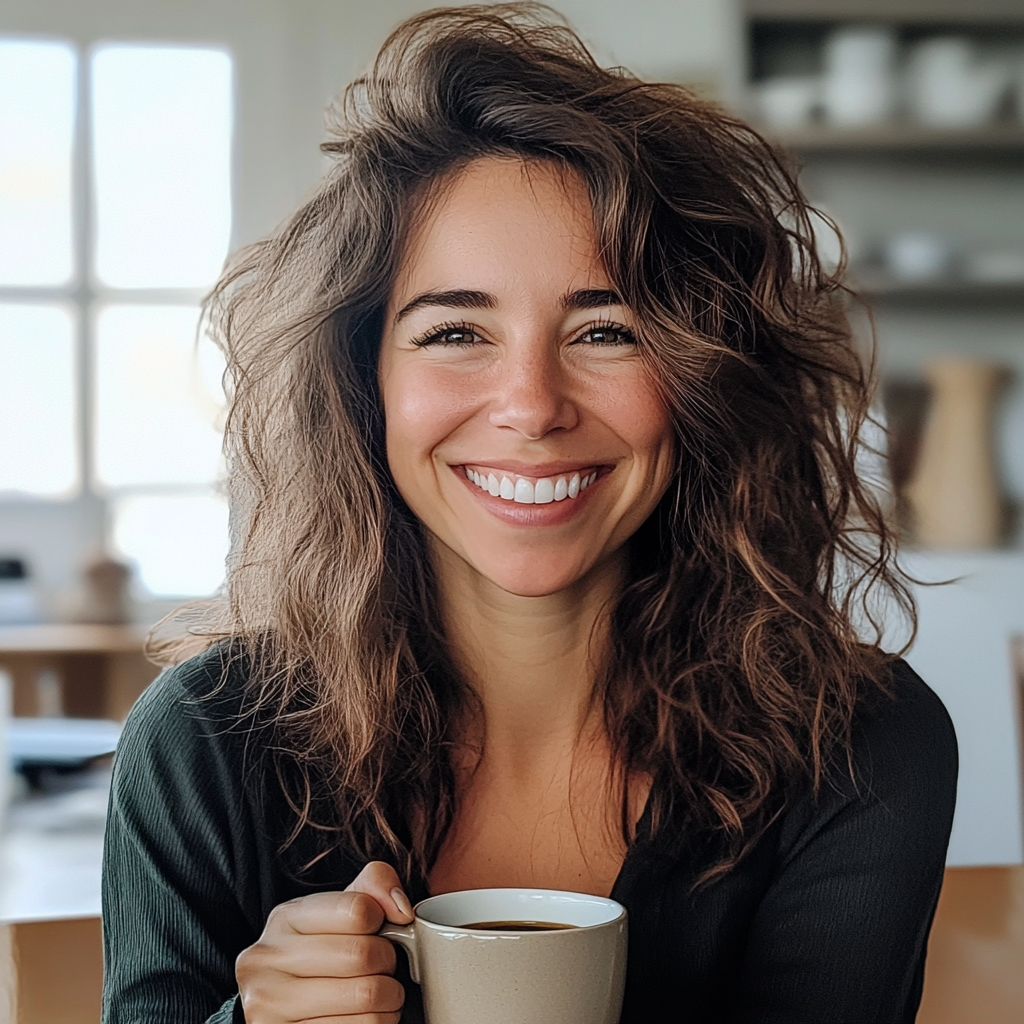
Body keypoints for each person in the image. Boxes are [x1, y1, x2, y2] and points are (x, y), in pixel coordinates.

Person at [101, 6, 957, 1023]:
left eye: (606, 329)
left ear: (703, 378)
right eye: (455, 329)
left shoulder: (859, 748)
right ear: (363, 382)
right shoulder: (200, 747)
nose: (532, 405)